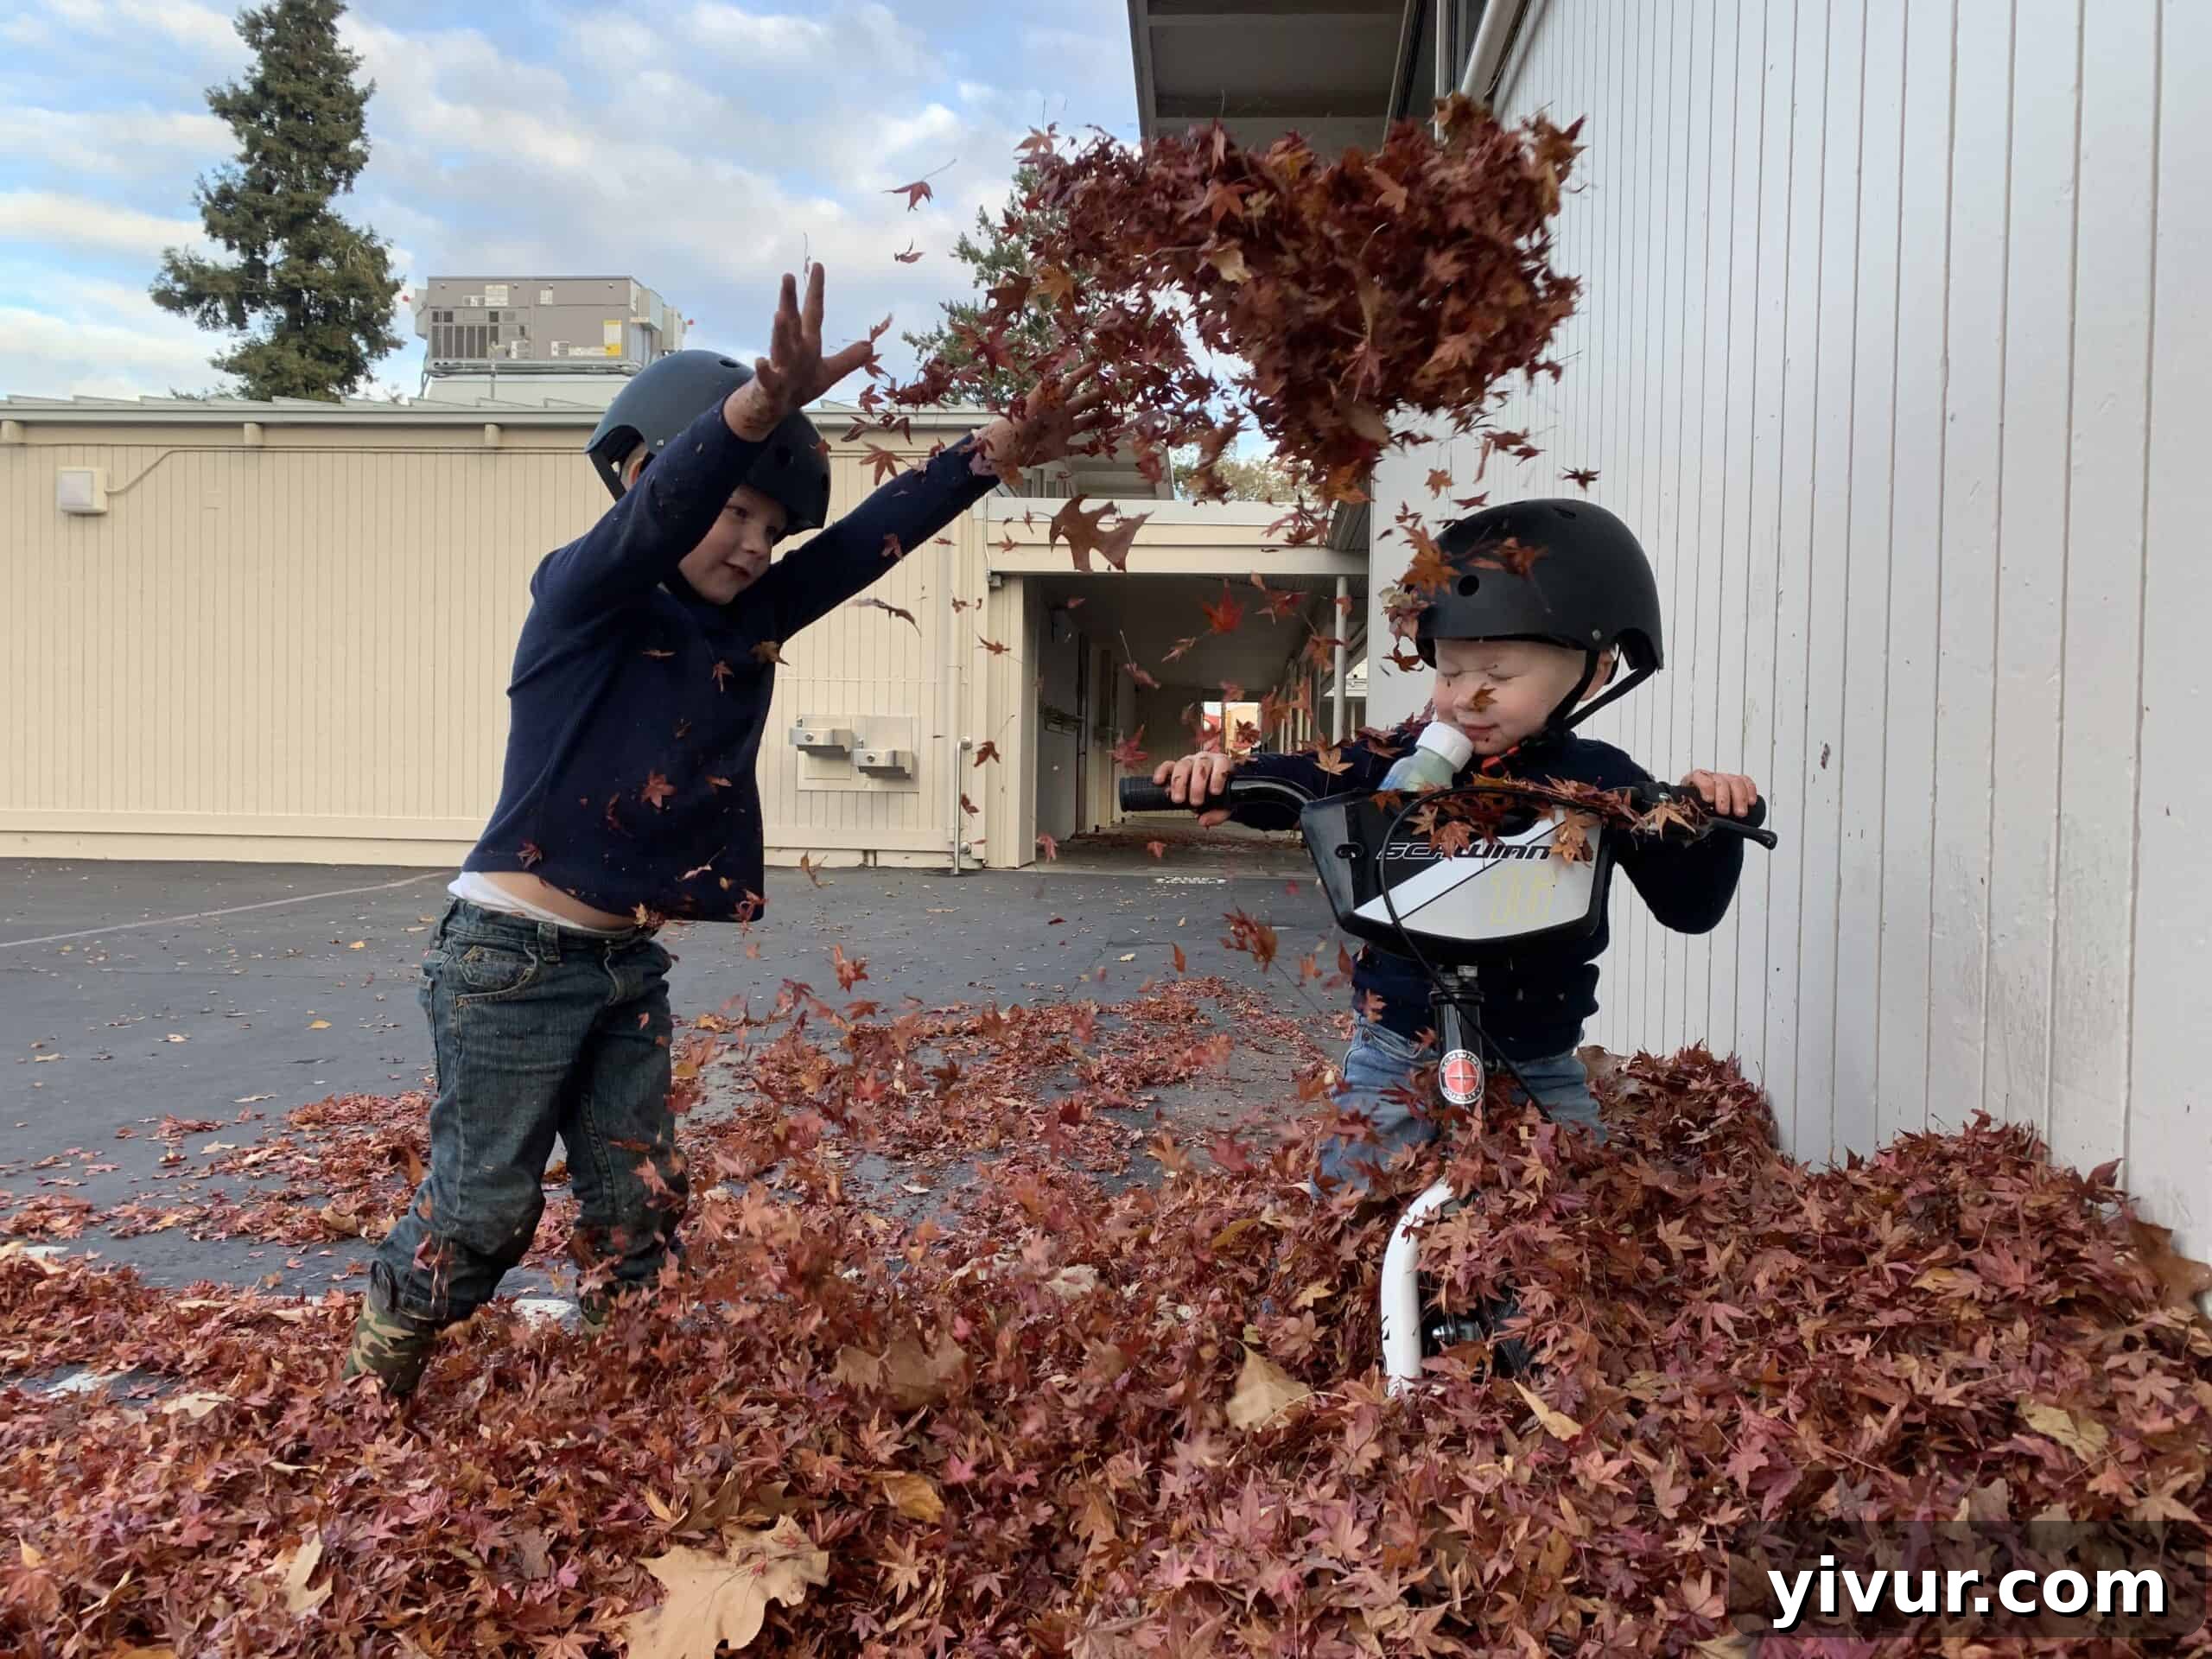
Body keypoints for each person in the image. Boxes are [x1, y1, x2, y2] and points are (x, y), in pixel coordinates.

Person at [343, 267, 1105, 1395]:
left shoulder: (739, 623)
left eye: (771, 524)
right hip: (510, 960)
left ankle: (628, 1390)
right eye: (733, 510)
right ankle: (379, 1362)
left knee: (637, 1201)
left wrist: (985, 454)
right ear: (654, 477)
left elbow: (858, 549)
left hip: (620, 966)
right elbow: (650, 528)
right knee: (484, 1213)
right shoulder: (584, 597)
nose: (753, 543)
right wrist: (752, 411)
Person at [1152, 498, 1764, 1194]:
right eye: (1447, 673)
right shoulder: (1398, 760)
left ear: (1593, 673)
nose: (1462, 700)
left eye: (1497, 678)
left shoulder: (1598, 781)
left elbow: (1689, 906)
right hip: (1394, 1053)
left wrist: (1703, 821)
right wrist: (1230, 778)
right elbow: (1307, 778)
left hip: (1536, 1057)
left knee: (1576, 1218)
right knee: (1344, 1210)